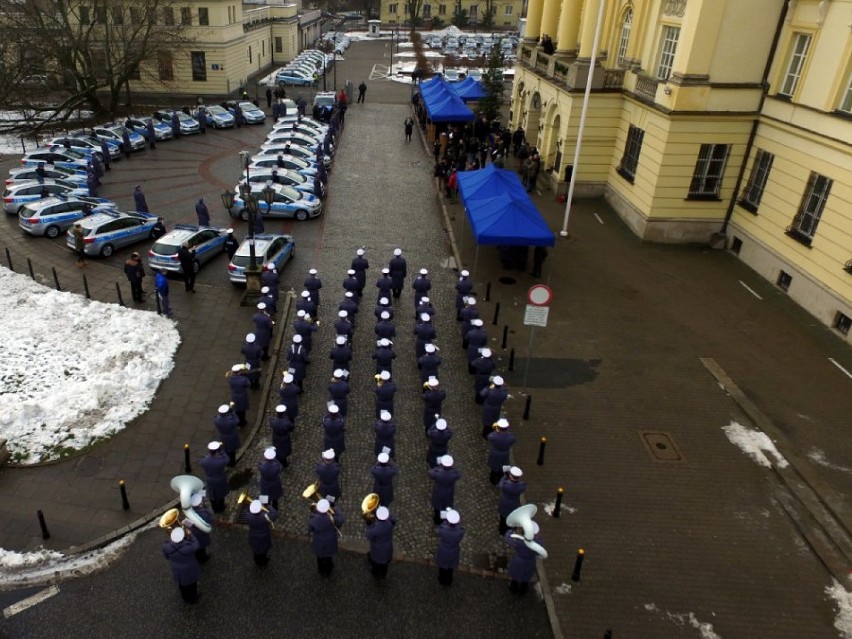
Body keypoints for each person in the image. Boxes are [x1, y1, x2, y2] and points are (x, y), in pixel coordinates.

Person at [162, 526, 200, 603]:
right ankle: (193, 599)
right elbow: (196, 544)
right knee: (192, 586)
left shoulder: (166, 546)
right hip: (189, 571)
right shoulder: (188, 548)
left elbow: (166, 556)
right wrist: (191, 535)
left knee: (182, 586)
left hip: (177, 570)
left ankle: (185, 597)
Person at [309, 498, 345, 577]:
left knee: (319, 557)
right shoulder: (333, 519)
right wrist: (335, 509)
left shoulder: (313, 520)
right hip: (330, 541)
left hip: (319, 542)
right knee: (328, 557)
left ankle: (321, 570)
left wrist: (313, 514)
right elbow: (342, 519)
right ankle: (328, 570)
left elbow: (310, 529)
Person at [505, 522, 544, 594]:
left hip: (518, 561)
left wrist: (512, 530)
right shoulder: (538, 542)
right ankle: (523, 591)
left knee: (515, 575)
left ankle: (513, 589)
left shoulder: (519, 541)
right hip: (530, 562)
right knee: (526, 577)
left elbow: (507, 538)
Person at [435, 508, 465, 586]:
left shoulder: (443, 530)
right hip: (453, 550)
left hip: (443, 550)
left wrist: (445, 522)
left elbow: (438, 530)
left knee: (442, 567)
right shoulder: (460, 531)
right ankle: (449, 581)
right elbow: (461, 532)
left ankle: (441, 580)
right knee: (450, 567)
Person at [246, 498, 278, 567]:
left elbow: (246, 511)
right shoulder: (265, 517)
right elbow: (275, 514)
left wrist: (252, 504)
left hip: (253, 535)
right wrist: (268, 505)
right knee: (263, 550)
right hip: (264, 536)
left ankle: (257, 561)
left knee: (255, 549)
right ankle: (263, 562)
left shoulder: (248, 516)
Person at [365, 506, 395, 579]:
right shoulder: (389, 524)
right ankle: (383, 575)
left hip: (377, 550)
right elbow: (394, 519)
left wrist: (369, 526)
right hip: (388, 548)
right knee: (385, 564)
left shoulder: (376, 529)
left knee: (376, 564)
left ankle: (375, 574)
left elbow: (369, 536)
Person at [429, 455, 460, 525]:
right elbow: (458, 475)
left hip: (438, 491)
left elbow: (431, 473)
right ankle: (445, 519)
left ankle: (437, 519)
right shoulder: (454, 474)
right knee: (447, 505)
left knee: (437, 505)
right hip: (449, 492)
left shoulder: (437, 473)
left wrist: (438, 467)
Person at [199, 442, 229, 513]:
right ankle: (221, 507)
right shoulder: (220, 461)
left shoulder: (205, 461)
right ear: (217, 450)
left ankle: (215, 509)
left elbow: (200, 463)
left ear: (209, 451)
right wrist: (222, 452)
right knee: (221, 494)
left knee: (212, 495)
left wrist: (207, 456)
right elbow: (227, 459)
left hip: (210, 480)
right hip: (220, 479)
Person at [498, 466, 527, 534]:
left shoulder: (505, 485)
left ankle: (502, 531)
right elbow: (523, 486)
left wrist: (505, 476)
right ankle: (510, 530)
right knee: (511, 516)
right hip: (514, 503)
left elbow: (500, 484)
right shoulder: (521, 486)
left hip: (504, 503)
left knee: (503, 518)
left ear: (511, 475)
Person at [187, 492, 214, 563]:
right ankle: (202, 559)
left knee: (196, 547)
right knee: (201, 548)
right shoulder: (204, 513)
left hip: (193, 533)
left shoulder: (189, 512)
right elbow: (210, 521)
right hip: (201, 535)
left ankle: (197, 556)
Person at [214, 402, 240, 466]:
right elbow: (237, 420)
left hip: (222, 436)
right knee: (231, 451)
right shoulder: (230, 421)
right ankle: (232, 462)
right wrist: (232, 413)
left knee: (225, 449)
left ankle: (227, 462)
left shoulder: (216, 420)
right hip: (231, 436)